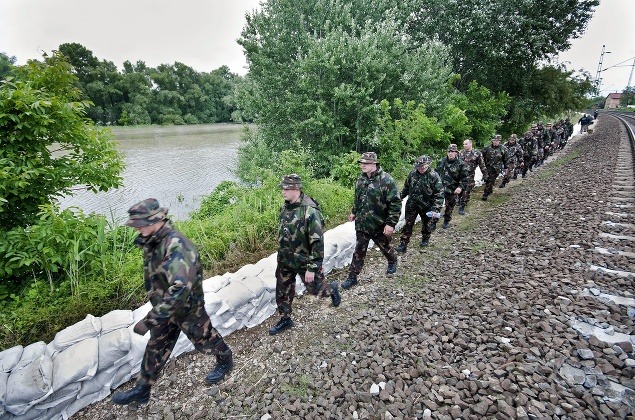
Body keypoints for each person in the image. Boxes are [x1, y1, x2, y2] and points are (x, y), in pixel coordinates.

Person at [111, 198, 233, 406]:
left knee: (205, 339)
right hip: (164, 309)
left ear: (154, 221)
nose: (137, 230)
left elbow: (179, 289)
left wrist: (150, 320)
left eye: (139, 225)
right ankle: (143, 389)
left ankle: (225, 359)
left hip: (187, 309)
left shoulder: (177, 246)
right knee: (157, 345)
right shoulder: (154, 242)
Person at [269, 174, 341, 335]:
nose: (283, 192)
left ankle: (332, 289)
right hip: (285, 259)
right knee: (282, 290)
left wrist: (312, 267)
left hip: (304, 261)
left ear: (295, 189)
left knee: (315, 290)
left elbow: (317, 242)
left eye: (285, 189)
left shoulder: (309, 211)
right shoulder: (286, 206)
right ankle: (285, 319)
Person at [342, 152, 401, 289]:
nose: (363, 165)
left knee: (384, 246)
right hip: (362, 223)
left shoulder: (386, 180)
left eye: (366, 163)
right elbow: (358, 198)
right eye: (361, 163)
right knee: (359, 250)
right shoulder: (361, 179)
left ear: (374, 164)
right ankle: (353, 276)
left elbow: (395, 203)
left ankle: (392, 260)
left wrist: (390, 223)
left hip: (379, 224)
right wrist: (353, 211)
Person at [395, 155, 444, 253]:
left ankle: (425, 238)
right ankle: (403, 244)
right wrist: (399, 198)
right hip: (412, 205)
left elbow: (439, 194)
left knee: (426, 224)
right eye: (419, 167)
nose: (421, 169)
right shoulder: (412, 174)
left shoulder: (433, 176)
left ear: (427, 165)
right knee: (408, 225)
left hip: (427, 206)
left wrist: (435, 209)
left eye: (423, 166)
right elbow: (406, 188)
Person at [435, 144, 468, 228]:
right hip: (439, 189)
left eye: (452, 152)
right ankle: (433, 222)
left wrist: (460, 187)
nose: (450, 153)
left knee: (449, 206)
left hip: (452, 189)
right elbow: (435, 174)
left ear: (456, 153)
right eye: (449, 151)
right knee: (436, 206)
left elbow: (464, 178)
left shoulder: (461, 164)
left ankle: (446, 220)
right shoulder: (441, 161)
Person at [458, 138, 488, 215]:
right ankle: (459, 200)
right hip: (459, 175)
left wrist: (485, 175)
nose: (464, 146)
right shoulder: (460, 153)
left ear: (471, 144)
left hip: (470, 175)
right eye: (463, 144)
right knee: (459, 190)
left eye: (466, 144)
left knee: (467, 190)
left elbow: (482, 165)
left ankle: (462, 206)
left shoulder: (477, 153)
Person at [481, 134, 509, 201]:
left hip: (496, 169)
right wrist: (482, 165)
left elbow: (505, 159)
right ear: (492, 140)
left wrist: (506, 167)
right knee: (487, 180)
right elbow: (482, 157)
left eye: (497, 140)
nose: (495, 142)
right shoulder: (487, 148)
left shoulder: (503, 149)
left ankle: (485, 193)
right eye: (494, 140)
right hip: (487, 167)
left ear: (500, 141)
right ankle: (489, 189)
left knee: (491, 180)